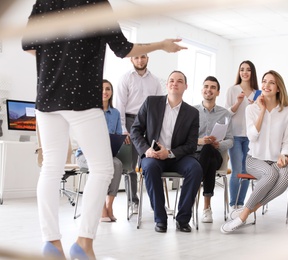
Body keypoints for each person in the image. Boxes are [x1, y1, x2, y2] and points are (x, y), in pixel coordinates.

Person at [22, 1, 186, 259]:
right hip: (81, 99)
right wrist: (162, 45)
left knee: (51, 166)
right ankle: (83, 244)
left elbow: (29, 45)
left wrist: (58, 58)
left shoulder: (44, 1)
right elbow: (124, 49)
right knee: (102, 168)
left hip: (47, 97)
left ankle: (51, 243)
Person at [221, 70, 288, 233]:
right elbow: (252, 137)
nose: (266, 85)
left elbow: (287, 140)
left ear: (278, 88)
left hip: (276, 161)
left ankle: (247, 209)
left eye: (271, 82)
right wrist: (261, 111)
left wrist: (284, 154)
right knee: (270, 175)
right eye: (264, 81)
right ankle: (242, 217)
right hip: (254, 159)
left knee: (286, 174)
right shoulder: (251, 109)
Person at [130, 71, 203, 233]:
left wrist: (169, 153)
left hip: (178, 156)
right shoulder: (151, 103)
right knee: (150, 167)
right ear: (167, 84)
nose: (174, 83)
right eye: (171, 80)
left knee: (196, 168)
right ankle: (160, 218)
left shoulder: (192, 113)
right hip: (153, 155)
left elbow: (191, 145)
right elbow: (135, 130)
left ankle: (183, 219)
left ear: (185, 86)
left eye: (179, 81)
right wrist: (146, 150)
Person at [115, 54, 163, 214]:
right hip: (130, 122)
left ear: (148, 58)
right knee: (130, 166)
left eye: (143, 57)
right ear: (131, 60)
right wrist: (123, 129)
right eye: (136, 58)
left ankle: (156, 203)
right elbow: (120, 104)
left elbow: (160, 104)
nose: (140, 60)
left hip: (149, 123)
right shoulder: (125, 78)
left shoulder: (155, 80)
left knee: (151, 163)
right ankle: (133, 202)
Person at [75, 79, 123, 223]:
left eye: (108, 89)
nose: (104, 92)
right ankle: (101, 207)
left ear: (111, 92)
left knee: (118, 164)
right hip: (86, 155)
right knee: (101, 167)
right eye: (101, 89)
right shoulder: (89, 111)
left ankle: (109, 205)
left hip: (106, 155)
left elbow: (117, 135)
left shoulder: (115, 113)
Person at [194, 76, 233, 223]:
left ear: (218, 92)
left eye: (212, 87)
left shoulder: (225, 114)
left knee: (209, 150)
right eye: (206, 86)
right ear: (202, 90)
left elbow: (230, 140)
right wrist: (201, 141)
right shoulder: (192, 111)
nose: (208, 90)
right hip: (195, 156)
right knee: (207, 155)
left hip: (216, 155)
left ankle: (194, 188)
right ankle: (206, 208)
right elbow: (186, 139)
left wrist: (219, 145)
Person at [225, 60, 260, 209]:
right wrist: (238, 102)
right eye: (242, 69)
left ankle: (241, 205)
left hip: (251, 138)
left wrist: (255, 106)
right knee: (237, 170)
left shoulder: (258, 93)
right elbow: (226, 114)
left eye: (248, 70)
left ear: (252, 73)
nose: (244, 72)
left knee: (247, 171)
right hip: (235, 135)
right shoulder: (232, 90)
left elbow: (262, 117)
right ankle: (234, 205)